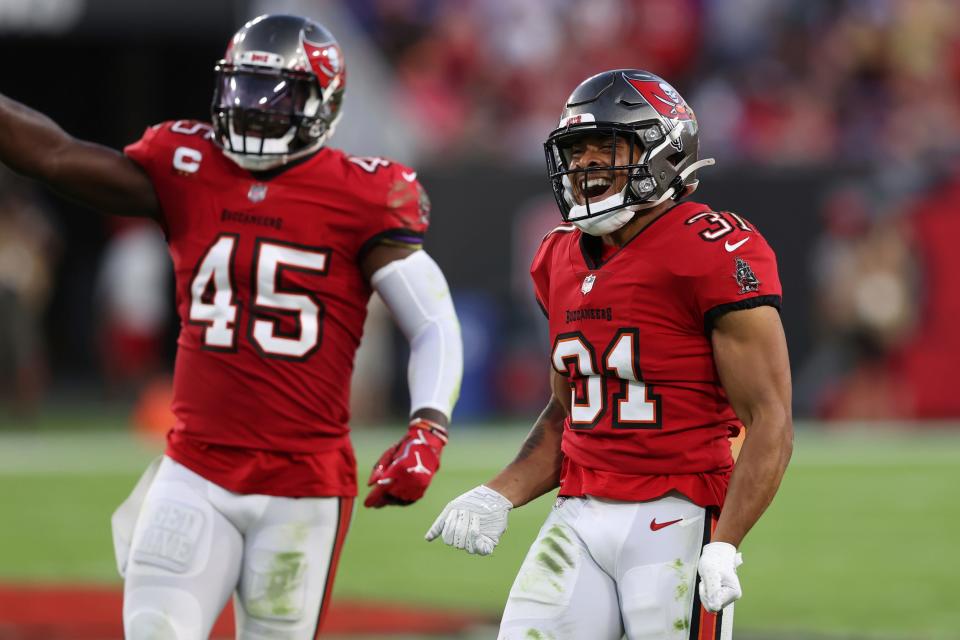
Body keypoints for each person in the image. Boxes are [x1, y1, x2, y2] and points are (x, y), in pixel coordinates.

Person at [0, 14, 462, 640]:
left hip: (302, 485)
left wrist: (428, 427)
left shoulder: (363, 195)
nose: (254, 110)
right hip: (194, 469)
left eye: (277, 96)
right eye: (243, 90)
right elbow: (54, 155)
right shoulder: (189, 167)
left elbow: (432, 319)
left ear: (325, 104)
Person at [427, 69, 792, 639]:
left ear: (665, 151)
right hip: (578, 511)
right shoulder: (557, 256)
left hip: (677, 513)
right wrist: (498, 493)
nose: (587, 165)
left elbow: (770, 419)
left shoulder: (712, 250)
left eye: (608, 148)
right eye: (578, 151)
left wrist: (726, 545)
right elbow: (566, 411)